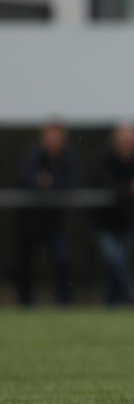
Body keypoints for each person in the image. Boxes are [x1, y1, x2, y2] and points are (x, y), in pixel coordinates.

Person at [14, 121, 79, 305]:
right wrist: (41, 182)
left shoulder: (69, 157)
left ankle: (65, 304)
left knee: (62, 260)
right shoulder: (32, 154)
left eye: (57, 137)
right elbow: (25, 180)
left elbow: (72, 184)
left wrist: (49, 182)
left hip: (54, 222)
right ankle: (25, 305)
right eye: (50, 137)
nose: (53, 141)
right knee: (26, 265)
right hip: (28, 221)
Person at [92, 123, 134, 305]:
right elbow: (105, 183)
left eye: (131, 140)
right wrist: (132, 188)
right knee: (115, 260)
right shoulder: (105, 158)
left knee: (118, 263)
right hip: (103, 221)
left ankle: (111, 303)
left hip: (126, 222)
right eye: (124, 140)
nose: (128, 144)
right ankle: (131, 298)